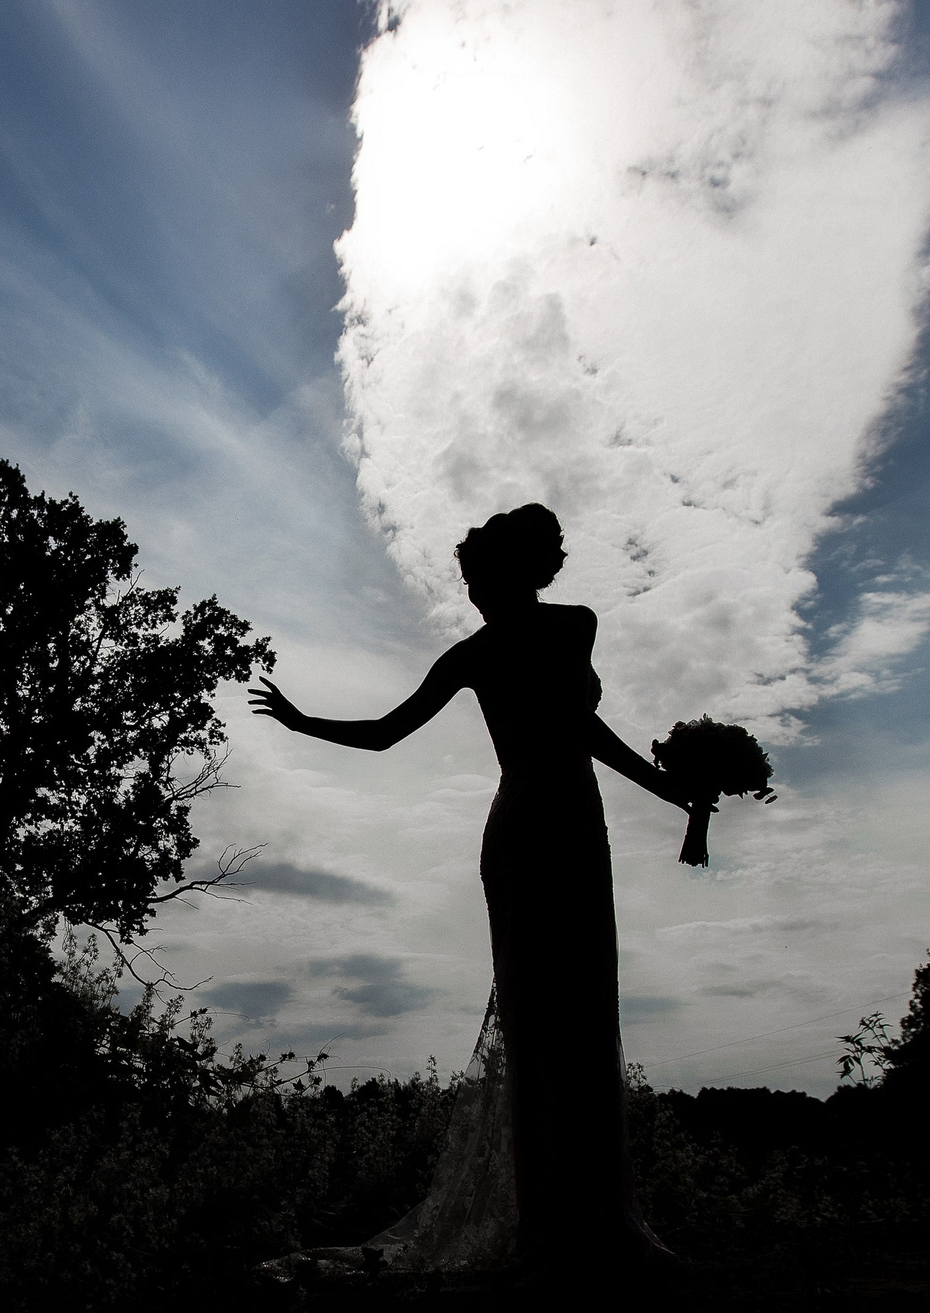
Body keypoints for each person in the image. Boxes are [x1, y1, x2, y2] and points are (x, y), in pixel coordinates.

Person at [250, 503, 695, 1287]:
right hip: (524, 830)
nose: (472, 593)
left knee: (587, 1014)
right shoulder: (474, 653)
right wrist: (300, 721)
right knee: (536, 1024)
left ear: (521, 570)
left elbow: (585, 731)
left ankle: (595, 1222)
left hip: (576, 825)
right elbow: (390, 731)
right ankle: (547, 1226)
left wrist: (673, 794)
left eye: (479, 577)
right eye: (467, 582)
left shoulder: (574, 625)